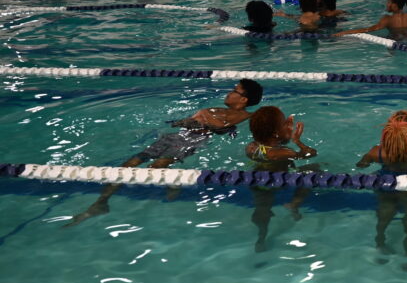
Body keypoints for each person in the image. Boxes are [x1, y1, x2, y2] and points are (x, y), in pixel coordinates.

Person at [65, 80, 263, 225]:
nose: (229, 93)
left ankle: (172, 182)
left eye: (234, 90)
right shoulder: (214, 108)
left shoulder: (247, 115)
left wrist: (204, 120)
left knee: (156, 166)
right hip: (174, 137)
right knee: (129, 164)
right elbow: (191, 121)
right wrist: (193, 120)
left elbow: (219, 127)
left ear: (243, 99)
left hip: (192, 141)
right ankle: (101, 203)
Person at [356, 110, 407, 271]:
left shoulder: (376, 152)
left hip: (386, 189)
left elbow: (361, 165)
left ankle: (380, 244)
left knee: (384, 215)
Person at [246, 105, 317, 252]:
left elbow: (271, 147)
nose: (288, 125)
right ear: (275, 133)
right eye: (285, 123)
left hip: (257, 181)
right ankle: (294, 203)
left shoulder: (251, 147)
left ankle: (261, 237)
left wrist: (283, 132)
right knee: (314, 170)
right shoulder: (283, 152)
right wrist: (297, 140)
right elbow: (310, 154)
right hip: (279, 181)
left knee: (262, 209)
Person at [333, 0, 407, 38]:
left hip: (394, 41)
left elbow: (368, 30)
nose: (387, 4)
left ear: (394, 5)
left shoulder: (388, 19)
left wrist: (343, 33)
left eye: (389, 1)